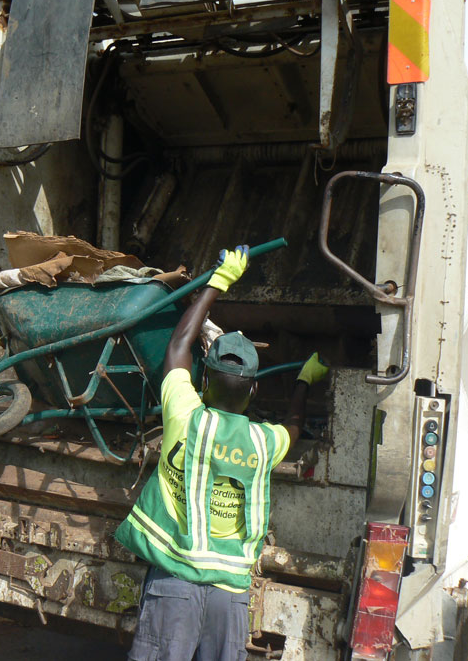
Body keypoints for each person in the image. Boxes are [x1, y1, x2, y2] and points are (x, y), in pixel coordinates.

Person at [115, 246, 329, 661]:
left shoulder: (185, 414)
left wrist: (218, 281)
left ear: (204, 378)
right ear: (254, 389)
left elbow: (179, 343)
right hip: (230, 598)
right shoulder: (266, 443)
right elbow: (295, 427)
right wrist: (304, 381)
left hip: (173, 586)